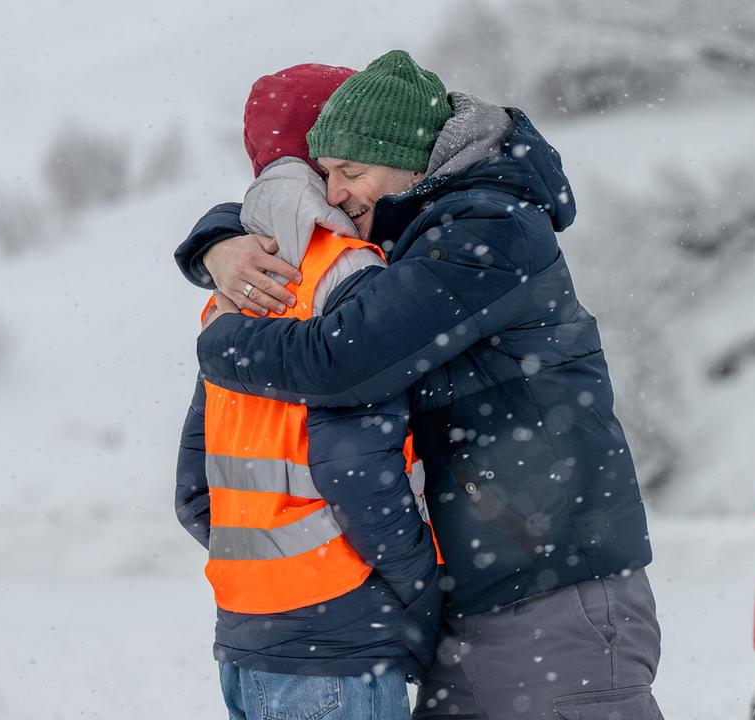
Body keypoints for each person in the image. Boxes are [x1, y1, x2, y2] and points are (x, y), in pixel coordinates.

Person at [178, 50, 664, 720]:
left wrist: (221, 339)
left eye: (351, 173)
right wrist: (218, 240)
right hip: (476, 607)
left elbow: (343, 360)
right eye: (327, 176)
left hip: (556, 598)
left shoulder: (489, 229)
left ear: (412, 161)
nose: (339, 193)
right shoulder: (415, 237)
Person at [174, 63, 441, 720]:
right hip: (338, 637)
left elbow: (193, 492)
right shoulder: (348, 273)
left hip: (247, 632)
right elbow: (359, 466)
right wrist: (420, 589)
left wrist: (266, 567)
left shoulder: (237, 285)